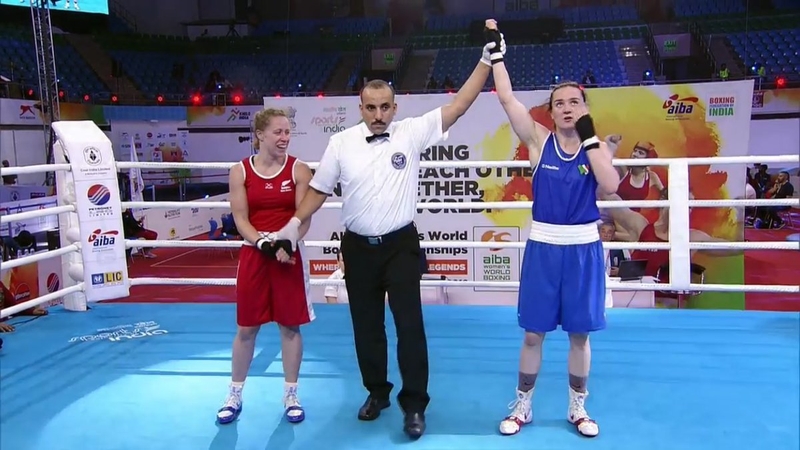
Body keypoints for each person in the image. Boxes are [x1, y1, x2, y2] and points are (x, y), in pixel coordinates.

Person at [272, 19, 505, 440]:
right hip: (357, 248)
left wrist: (485, 61)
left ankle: (414, 405)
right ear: (360, 108)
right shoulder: (340, 143)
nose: (378, 114)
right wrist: (293, 225)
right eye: (371, 107)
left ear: (394, 108)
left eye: (385, 107)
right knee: (366, 327)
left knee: (409, 326)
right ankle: (377, 393)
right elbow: (320, 191)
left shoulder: (410, 132)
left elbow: (459, 105)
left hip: (400, 245)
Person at [487, 21, 620, 439]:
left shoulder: (596, 145)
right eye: (559, 102)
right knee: (533, 333)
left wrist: (590, 134)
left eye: (574, 102)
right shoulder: (537, 140)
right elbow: (507, 98)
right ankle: (523, 404)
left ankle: (577, 407)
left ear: (584, 106)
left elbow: (610, 185)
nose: (566, 108)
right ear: (551, 108)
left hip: (583, 250)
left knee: (580, 336)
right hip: (544, 247)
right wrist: (496, 56)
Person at [215, 107, 314, 426]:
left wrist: (286, 243)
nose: (285, 138)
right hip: (254, 254)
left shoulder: (299, 169)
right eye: (278, 132)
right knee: (247, 328)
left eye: (288, 132)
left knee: (289, 326)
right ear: (260, 134)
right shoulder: (239, 171)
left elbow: (304, 216)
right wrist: (262, 243)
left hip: (289, 254)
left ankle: (291, 394)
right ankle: (234, 393)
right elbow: (240, 218)